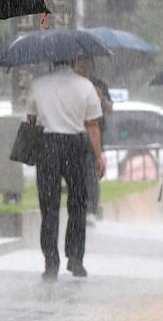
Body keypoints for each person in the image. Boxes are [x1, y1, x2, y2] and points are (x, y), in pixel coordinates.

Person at [27, 59, 105, 280]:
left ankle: (51, 262)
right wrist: (98, 157)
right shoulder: (85, 86)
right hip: (75, 146)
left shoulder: (39, 84)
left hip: (47, 145)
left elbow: (31, 118)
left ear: (52, 61)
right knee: (78, 203)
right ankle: (75, 258)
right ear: (73, 61)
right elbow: (92, 126)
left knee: (49, 206)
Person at [73, 58, 113, 221]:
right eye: (80, 63)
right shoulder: (73, 84)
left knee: (92, 169)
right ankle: (79, 205)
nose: (84, 66)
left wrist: (101, 98)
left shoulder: (99, 84)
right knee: (77, 170)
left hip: (95, 131)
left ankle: (91, 207)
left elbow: (109, 108)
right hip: (76, 130)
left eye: (86, 63)